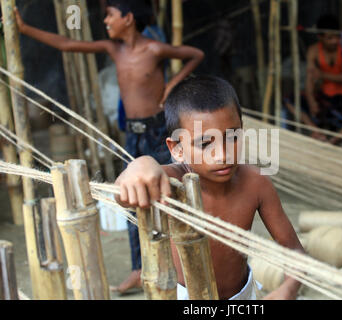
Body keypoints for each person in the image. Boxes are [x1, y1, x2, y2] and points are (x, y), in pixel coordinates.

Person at [14, 0, 204, 294]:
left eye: (110, 16)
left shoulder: (154, 49)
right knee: (131, 199)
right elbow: (66, 45)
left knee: (171, 198)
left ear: (128, 18)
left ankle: (184, 266)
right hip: (132, 136)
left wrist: (172, 86)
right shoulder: (114, 49)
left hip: (158, 134)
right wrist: (24, 29)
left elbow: (195, 54)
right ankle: (138, 270)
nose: (106, 21)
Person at [114, 75, 305, 300]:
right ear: (176, 149)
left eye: (232, 137)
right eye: (205, 144)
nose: (223, 155)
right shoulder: (168, 183)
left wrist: (288, 289)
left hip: (242, 297)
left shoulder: (256, 184)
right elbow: (123, 195)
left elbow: (296, 254)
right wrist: (140, 164)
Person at [304, 14, 342, 145]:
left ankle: (333, 141)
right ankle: (317, 132)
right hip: (324, 97)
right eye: (330, 38)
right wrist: (311, 100)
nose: (334, 41)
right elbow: (310, 77)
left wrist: (323, 75)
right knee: (290, 100)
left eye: (337, 37)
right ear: (320, 37)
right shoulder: (313, 50)